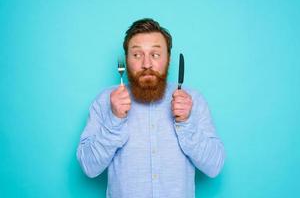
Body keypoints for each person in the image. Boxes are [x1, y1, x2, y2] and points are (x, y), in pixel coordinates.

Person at [77, 18, 225, 198]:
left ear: (168, 59)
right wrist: (114, 120)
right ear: (126, 59)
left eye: (155, 54)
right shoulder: (104, 101)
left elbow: (215, 166)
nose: (147, 64)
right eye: (137, 55)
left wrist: (186, 123)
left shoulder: (192, 101)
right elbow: (88, 167)